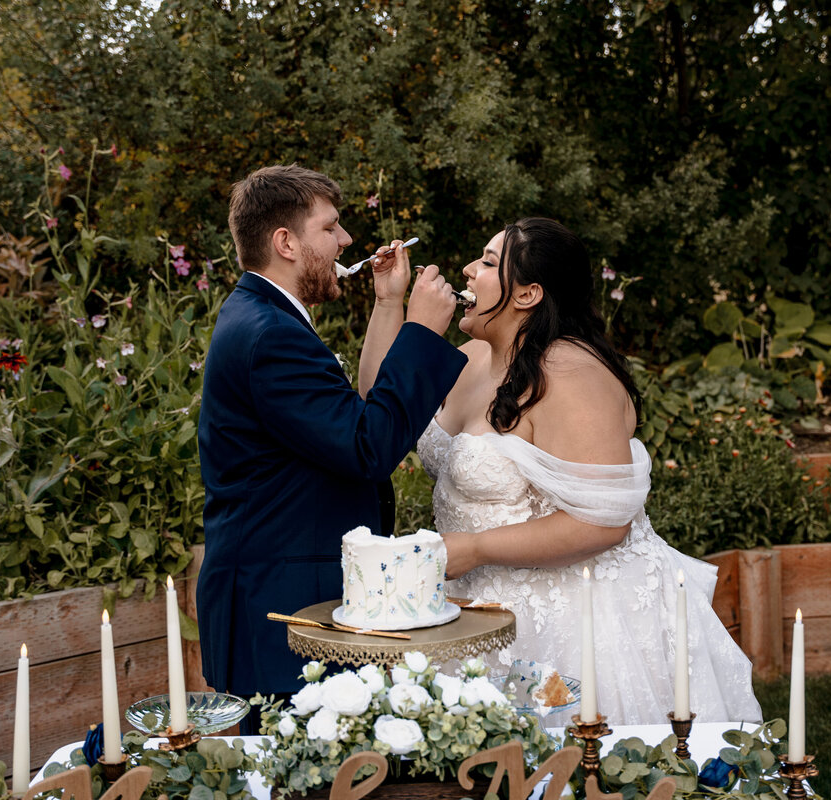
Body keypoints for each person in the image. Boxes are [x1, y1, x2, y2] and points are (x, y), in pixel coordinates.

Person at [409, 217, 762, 725]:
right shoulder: (469, 359)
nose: (467, 269)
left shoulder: (572, 373)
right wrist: (386, 304)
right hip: (470, 606)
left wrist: (472, 548)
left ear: (528, 294)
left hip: (574, 615)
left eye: (487, 262)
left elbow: (603, 522)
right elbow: (382, 411)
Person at [196, 165, 467, 730]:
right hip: (278, 607)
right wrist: (422, 331)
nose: (347, 241)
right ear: (286, 243)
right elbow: (369, 446)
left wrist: (390, 305)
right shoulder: (272, 336)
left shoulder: (264, 319)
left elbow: (360, 414)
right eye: (332, 227)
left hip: (281, 593)